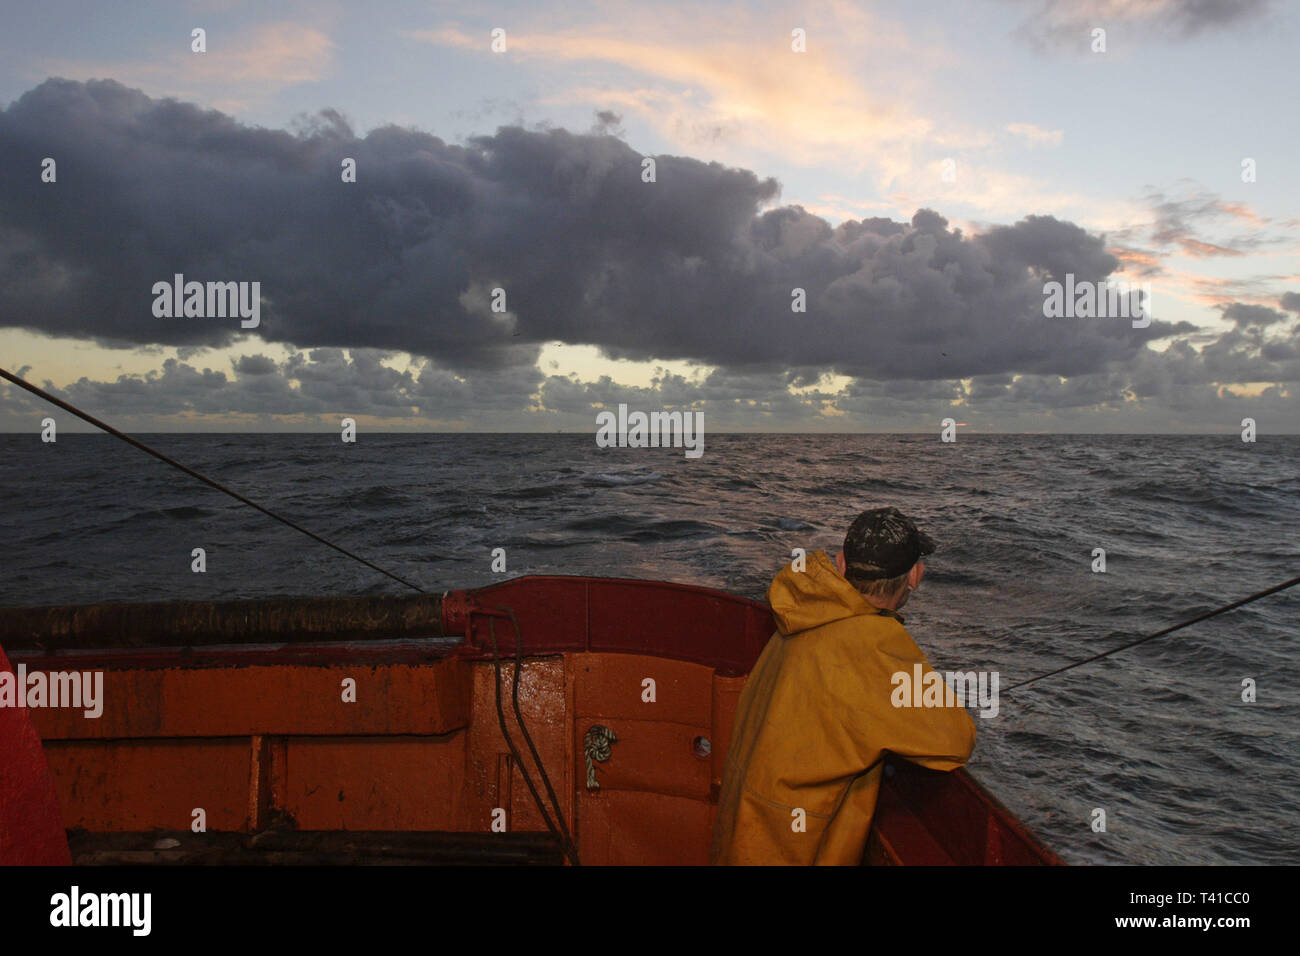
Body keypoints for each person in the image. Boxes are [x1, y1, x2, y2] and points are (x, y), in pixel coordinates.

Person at [710, 506, 976, 865]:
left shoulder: (805, 612)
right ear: (915, 576)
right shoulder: (876, 646)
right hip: (793, 850)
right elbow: (955, 740)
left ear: (842, 564)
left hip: (746, 835)